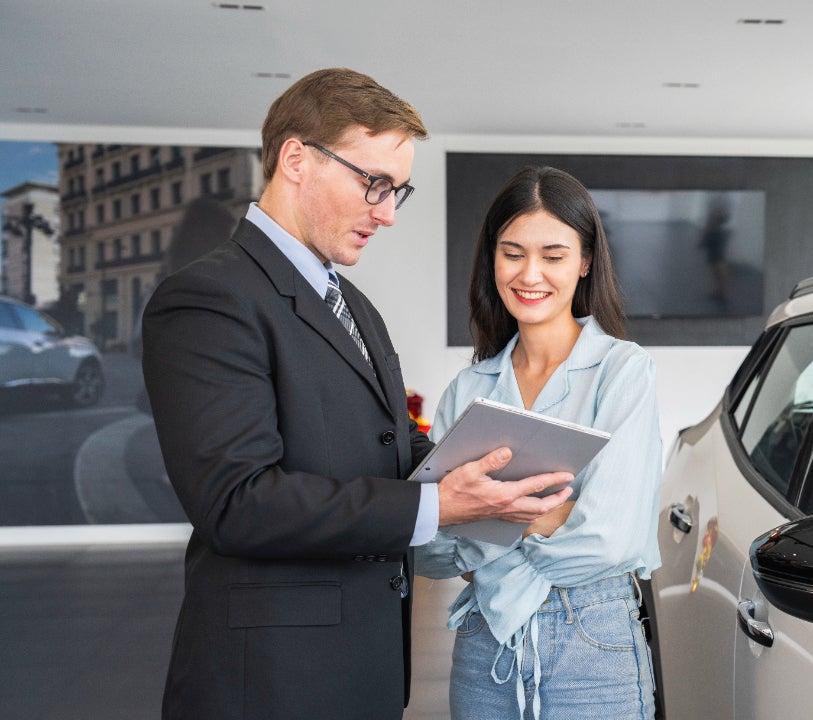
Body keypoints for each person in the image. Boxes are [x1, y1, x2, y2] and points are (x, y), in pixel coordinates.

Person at [141, 68, 571, 720]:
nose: (388, 214)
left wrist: (490, 470)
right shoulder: (210, 298)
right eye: (374, 184)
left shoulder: (356, 306)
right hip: (271, 685)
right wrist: (435, 507)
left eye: (399, 191)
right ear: (296, 159)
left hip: (361, 669)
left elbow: (386, 440)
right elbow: (237, 501)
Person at [416, 166, 663, 719]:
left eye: (553, 255)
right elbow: (428, 549)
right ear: (493, 259)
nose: (531, 274)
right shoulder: (468, 389)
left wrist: (479, 509)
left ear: (585, 262)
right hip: (485, 642)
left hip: (593, 639)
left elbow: (610, 536)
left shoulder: (622, 371)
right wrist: (551, 511)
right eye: (513, 253)